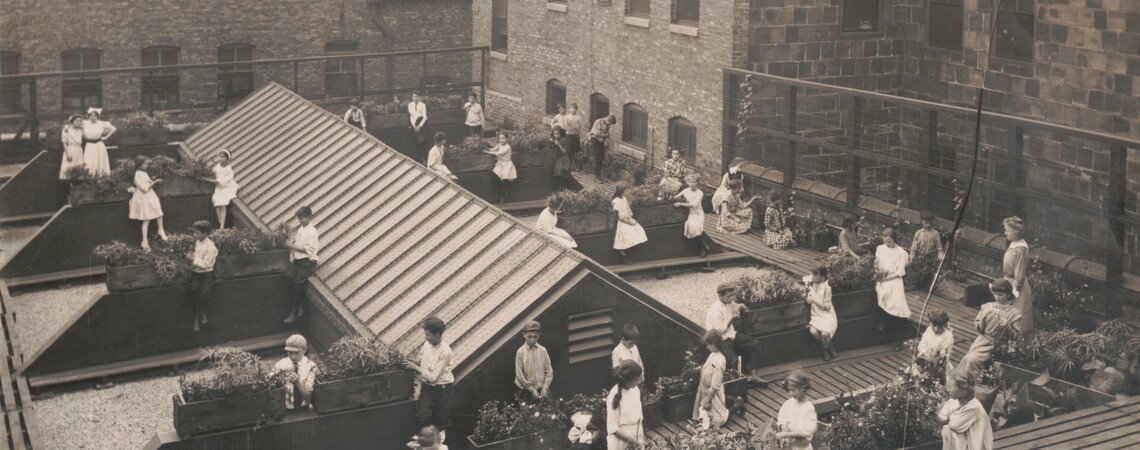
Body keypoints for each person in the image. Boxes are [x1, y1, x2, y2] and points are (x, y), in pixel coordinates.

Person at [405, 316, 455, 445]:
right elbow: (421, 361)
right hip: (427, 388)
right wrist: (409, 363)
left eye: (428, 335)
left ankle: (439, 446)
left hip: (442, 389)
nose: (426, 338)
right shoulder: (427, 344)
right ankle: (424, 444)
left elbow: (434, 378)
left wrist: (414, 367)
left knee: (441, 422)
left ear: (438, 334)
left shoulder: (446, 351)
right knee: (422, 416)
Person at [958, 279, 1022, 377]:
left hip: (997, 346)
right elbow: (979, 328)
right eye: (995, 294)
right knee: (967, 359)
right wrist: (983, 318)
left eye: (1000, 295)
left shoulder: (1013, 314)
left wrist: (1007, 326)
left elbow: (1017, 337)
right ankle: (961, 380)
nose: (997, 297)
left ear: (1008, 295)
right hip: (982, 341)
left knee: (972, 361)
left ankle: (969, 382)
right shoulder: (987, 307)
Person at [707, 284, 763, 376]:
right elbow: (719, 332)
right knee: (734, 361)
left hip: (732, 335)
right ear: (720, 296)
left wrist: (741, 306)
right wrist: (731, 318)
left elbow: (735, 306)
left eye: (733, 295)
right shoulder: (715, 310)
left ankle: (754, 375)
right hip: (720, 339)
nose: (732, 298)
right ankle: (740, 381)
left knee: (754, 343)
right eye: (729, 296)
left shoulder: (728, 302)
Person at [876, 226, 912, 351]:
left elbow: (899, 272)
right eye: (885, 241)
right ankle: (884, 325)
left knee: (898, 310)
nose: (887, 244)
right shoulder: (880, 249)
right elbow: (877, 263)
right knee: (882, 299)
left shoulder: (901, 253)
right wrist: (878, 275)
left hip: (894, 281)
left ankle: (899, 341)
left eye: (889, 242)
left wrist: (886, 279)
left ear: (894, 240)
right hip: (882, 280)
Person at [939, 373, 993, 450]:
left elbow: (954, 425)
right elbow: (942, 415)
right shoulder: (953, 401)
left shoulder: (974, 407)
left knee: (947, 430)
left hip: (974, 444)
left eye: (950, 387)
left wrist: (946, 419)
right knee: (947, 431)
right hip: (964, 438)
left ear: (964, 390)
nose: (947, 389)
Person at [283, 206, 319, 324]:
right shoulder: (301, 228)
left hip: (307, 261)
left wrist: (289, 246)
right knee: (289, 278)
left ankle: (295, 311)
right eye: (299, 219)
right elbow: (298, 243)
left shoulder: (312, 232)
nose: (300, 221)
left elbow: (306, 250)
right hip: (299, 260)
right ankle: (301, 305)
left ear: (309, 217)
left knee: (298, 283)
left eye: (302, 218)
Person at [128, 156, 168, 250]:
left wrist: (155, 181)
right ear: (139, 165)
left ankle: (160, 230)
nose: (147, 165)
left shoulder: (143, 173)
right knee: (146, 220)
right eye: (145, 164)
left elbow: (149, 182)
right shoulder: (137, 175)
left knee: (158, 212)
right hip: (143, 198)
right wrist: (154, 183)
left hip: (150, 196)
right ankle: (144, 242)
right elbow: (144, 188)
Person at [1001, 216, 1034, 332]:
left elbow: (1019, 275)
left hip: (1018, 289)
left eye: (1008, 230)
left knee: (1017, 321)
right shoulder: (1013, 244)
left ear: (1017, 232)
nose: (1005, 233)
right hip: (1009, 283)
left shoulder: (1020, 250)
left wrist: (1014, 292)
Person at [185, 221, 217, 332]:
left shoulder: (211, 247)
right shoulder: (198, 242)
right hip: (197, 274)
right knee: (193, 292)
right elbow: (197, 257)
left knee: (203, 295)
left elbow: (206, 265)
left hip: (206, 275)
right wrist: (192, 257)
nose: (195, 235)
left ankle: (199, 316)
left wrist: (193, 259)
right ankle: (197, 316)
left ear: (205, 233)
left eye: (197, 232)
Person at [693, 330, 728, 430]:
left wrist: (708, 399)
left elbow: (716, 383)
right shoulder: (712, 354)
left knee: (717, 421)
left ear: (714, 344)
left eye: (708, 345)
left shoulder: (720, 360)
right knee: (703, 417)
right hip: (704, 389)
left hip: (712, 393)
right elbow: (708, 367)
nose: (707, 347)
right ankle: (729, 402)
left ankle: (736, 405)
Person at [606, 359, 644, 450]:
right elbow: (613, 428)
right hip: (621, 441)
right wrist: (633, 441)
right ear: (626, 380)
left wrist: (639, 438)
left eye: (640, 379)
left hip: (637, 437)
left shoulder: (635, 390)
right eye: (636, 380)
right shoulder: (614, 396)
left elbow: (638, 418)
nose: (639, 382)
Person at [273, 334, 318, 410]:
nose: (293, 356)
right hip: (284, 408)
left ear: (304, 350)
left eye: (296, 353)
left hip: (304, 408)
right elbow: (272, 387)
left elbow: (308, 398)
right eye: (290, 352)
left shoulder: (310, 366)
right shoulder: (280, 365)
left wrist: (297, 383)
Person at [776, 370, 818, 450]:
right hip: (787, 446)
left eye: (793, 390)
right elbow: (781, 416)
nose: (790, 393)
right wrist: (782, 425)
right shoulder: (788, 403)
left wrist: (785, 434)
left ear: (803, 388)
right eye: (788, 390)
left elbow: (805, 432)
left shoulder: (808, 409)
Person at [673, 173, 712, 258]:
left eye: (694, 182)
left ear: (697, 183)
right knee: (690, 228)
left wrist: (680, 204)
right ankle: (702, 245)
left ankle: (702, 248)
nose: (692, 184)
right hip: (690, 213)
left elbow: (693, 205)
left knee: (696, 228)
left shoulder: (700, 193)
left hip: (698, 213)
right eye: (690, 182)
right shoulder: (685, 191)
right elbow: (675, 197)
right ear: (687, 183)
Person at [514, 320, 553, 404]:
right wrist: (531, 389)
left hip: (543, 390)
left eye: (535, 337)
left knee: (547, 413)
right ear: (524, 335)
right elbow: (519, 375)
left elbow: (549, 370)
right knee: (528, 415)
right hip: (526, 392)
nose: (532, 339)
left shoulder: (543, 350)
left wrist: (545, 387)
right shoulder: (520, 352)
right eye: (529, 336)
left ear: (539, 335)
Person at [805, 266, 837, 361]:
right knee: (813, 332)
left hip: (826, 315)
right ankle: (829, 343)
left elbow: (826, 307)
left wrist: (814, 300)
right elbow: (808, 300)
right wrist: (806, 296)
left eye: (816, 275)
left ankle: (825, 350)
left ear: (822, 277)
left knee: (824, 333)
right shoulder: (810, 286)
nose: (813, 277)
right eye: (812, 274)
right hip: (816, 315)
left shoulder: (827, 288)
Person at [202, 149, 239, 229]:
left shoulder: (229, 170)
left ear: (227, 159)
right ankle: (220, 223)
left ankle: (222, 226)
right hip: (219, 187)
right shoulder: (218, 166)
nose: (220, 158)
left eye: (223, 157)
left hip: (226, 187)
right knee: (216, 201)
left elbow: (220, 181)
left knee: (223, 204)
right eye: (220, 156)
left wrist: (206, 179)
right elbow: (214, 174)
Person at [612, 184, 648, 265]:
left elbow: (628, 210)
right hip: (623, 222)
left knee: (639, 231)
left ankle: (629, 254)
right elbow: (621, 217)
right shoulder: (616, 202)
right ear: (621, 192)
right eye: (625, 191)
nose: (626, 192)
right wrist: (630, 222)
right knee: (628, 237)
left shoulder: (624, 199)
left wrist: (631, 219)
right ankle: (624, 255)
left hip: (629, 219)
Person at [917, 310, 955, 376]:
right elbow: (922, 344)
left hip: (938, 365)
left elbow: (944, 353)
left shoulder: (948, 336)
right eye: (933, 326)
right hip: (924, 359)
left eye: (939, 327)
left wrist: (940, 357)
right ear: (930, 323)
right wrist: (925, 353)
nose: (936, 329)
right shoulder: (929, 330)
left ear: (944, 325)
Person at [484, 131, 517, 204]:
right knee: (495, 175)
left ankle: (503, 197)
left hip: (506, 165)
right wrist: (486, 149)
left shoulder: (508, 147)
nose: (501, 140)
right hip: (500, 164)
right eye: (500, 138)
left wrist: (487, 152)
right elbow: (494, 149)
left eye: (503, 138)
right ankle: (502, 189)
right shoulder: (499, 144)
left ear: (507, 139)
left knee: (503, 181)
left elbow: (499, 153)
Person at [81, 107, 114, 176]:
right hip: (89, 145)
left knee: (100, 161)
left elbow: (113, 128)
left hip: (99, 145)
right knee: (89, 161)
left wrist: (106, 137)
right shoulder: (85, 123)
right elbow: (73, 122)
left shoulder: (101, 123)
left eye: (95, 116)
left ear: (97, 117)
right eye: (91, 116)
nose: (93, 117)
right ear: (89, 116)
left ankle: (101, 176)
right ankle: (90, 176)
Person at [589, 115, 616, 179]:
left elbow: (606, 135)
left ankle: (599, 174)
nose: (610, 125)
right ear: (608, 120)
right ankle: (597, 177)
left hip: (601, 142)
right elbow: (596, 134)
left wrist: (606, 137)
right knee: (598, 159)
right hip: (595, 141)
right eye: (610, 123)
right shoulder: (598, 122)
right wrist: (605, 135)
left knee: (601, 158)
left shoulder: (607, 125)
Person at [60, 114, 86, 180]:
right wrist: (68, 153)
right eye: (77, 120)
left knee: (79, 167)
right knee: (68, 169)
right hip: (70, 150)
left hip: (79, 150)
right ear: (72, 121)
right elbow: (64, 142)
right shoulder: (66, 129)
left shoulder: (81, 130)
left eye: (80, 121)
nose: (79, 122)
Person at [550, 126, 575, 192]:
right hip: (559, 158)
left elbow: (565, 152)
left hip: (564, 158)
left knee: (566, 174)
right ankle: (560, 189)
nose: (556, 135)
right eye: (555, 134)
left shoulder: (563, 140)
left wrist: (559, 145)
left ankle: (570, 189)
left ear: (560, 134)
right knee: (557, 172)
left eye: (558, 134)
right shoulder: (554, 139)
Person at [562, 103, 584, 171]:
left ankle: (575, 166)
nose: (573, 110)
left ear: (576, 109)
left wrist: (574, 127)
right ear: (569, 109)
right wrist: (574, 126)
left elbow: (580, 127)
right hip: (569, 135)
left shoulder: (578, 117)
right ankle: (567, 165)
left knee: (575, 151)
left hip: (576, 135)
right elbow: (566, 127)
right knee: (568, 151)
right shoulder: (567, 117)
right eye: (571, 108)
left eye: (574, 108)